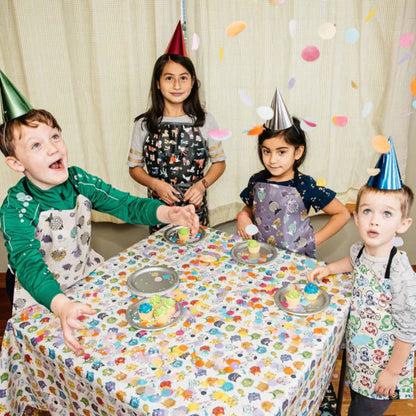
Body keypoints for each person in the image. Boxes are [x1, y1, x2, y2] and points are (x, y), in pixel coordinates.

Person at [0, 70, 199, 355]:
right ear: (16, 163)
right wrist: (60, 304)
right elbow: (28, 265)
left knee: (92, 347)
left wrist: (170, 214)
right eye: (36, 145)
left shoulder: (80, 181)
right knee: (51, 352)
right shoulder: (16, 207)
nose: (52, 148)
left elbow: (127, 205)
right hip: (40, 292)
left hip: (82, 275)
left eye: (54, 136)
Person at [308, 137, 416, 416]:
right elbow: (352, 262)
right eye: (367, 211)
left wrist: (392, 373)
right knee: (355, 402)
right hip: (360, 358)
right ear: (357, 218)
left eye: (387, 214)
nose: (375, 221)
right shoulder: (360, 251)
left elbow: (408, 331)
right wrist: (330, 268)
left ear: (403, 224)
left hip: (384, 368)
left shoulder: (401, 272)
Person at [127, 21, 226, 232]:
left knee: (196, 258)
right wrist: (155, 184)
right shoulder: (144, 124)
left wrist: (202, 185)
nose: (177, 85)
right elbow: (134, 168)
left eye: (183, 78)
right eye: (169, 78)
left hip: (195, 209)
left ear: (192, 82)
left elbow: (219, 163)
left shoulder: (205, 121)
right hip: (158, 209)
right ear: (157, 83)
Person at [237, 88, 350, 258]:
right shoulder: (257, 180)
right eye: (266, 151)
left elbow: (342, 214)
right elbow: (250, 206)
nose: (272, 160)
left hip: (296, 261)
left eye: (281, 152)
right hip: (261, 256)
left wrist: (312, 241)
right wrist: (243, 216)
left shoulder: (305, 185)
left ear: (297, 152)